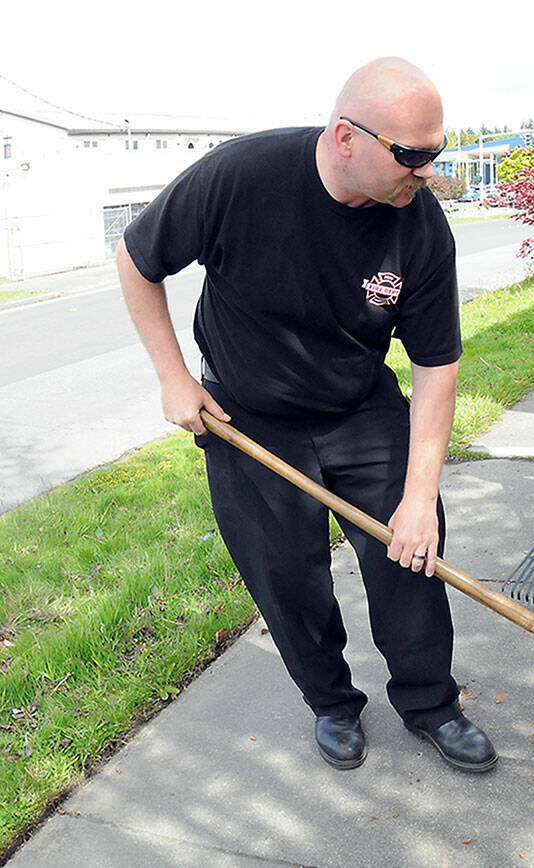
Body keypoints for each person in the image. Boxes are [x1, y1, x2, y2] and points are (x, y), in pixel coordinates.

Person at [117, 58, 497, 774]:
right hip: (247, 417)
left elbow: (436, 365)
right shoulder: (241, 177)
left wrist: (419, 500)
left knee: (411, 558)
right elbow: (137, 261)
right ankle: (331, 704)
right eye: (411, 155)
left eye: (434, 153)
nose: (425, 171)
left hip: (360, 408)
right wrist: (174, 380)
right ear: (346, 137)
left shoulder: (418, 224)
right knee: (286, 579)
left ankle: (431, 704)